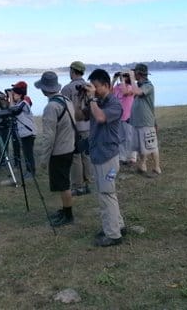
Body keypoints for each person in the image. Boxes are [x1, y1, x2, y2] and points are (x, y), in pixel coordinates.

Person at [84, 69, 126, 247]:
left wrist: (92, 99)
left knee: (106, 195)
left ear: (107, 86)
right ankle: (117, 225)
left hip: (107, 157)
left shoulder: (114, 104)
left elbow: (100, 118)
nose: (93, 89)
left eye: (96, 87)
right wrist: (84, 98)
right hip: (99, 154)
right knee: (108, 193)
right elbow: (81, 115)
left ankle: (113, 234)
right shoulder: (97, 102)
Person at [34, 71, 76, 227]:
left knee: (63, 184)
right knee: (63, 182)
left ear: (44, 89)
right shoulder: (66, 100)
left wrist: (43, 159)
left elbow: (48, 137)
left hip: (59, 151)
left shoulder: (51, 107)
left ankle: (68, 215)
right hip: (69, 146)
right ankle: (65, 209)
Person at [61, 61, 94, 196]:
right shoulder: (90, 87)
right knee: (86, 155)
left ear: (73, 71)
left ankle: (77, 185)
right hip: (88, 126)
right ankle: (88, 183)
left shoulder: (67, 89)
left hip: (73, 127)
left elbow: (63, 109)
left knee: (75, 157)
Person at [128, 63, 161, 177]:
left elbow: (137, 92)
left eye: (135, 73)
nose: (134, 76)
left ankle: (157, 168)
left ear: (139, 74)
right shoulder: (139, 84)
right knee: (141, 146)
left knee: (151, 145)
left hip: (146, 121)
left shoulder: (148, 85)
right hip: (137, 122)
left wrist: (131, 79)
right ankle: (143, 165)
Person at [9, 81, 37, 179]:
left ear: (20, 94)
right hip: (24, 133)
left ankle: (31, 172)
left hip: (28, 132)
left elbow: (13, 110)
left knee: (28, 153)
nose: (13, 95)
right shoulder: (20, 103)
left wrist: (11, 99)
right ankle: (29, 171)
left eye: (14, 94)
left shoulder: (24, 103)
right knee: (26, 153)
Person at [112, 71, 136, 166]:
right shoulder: (117, 87)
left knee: (130, 137)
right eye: (122, 76)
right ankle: (122, 157)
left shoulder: (130, 87)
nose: (122, 78)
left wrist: (122, 80)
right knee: (120, 138)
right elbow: (109, 92)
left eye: (125, 76)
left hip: (129, 116)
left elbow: (125, 92)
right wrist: (114, 79)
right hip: (119, 117)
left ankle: (132, 157)